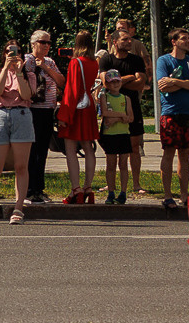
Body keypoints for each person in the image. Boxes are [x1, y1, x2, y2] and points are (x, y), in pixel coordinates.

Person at [0, 37, 38, 225]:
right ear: (3, 54)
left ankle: (18, 209)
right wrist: (5, 68)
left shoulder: (30, 75)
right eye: (8, 51)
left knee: (21, 166)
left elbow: (27, 95)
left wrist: (19, 73)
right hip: (0, 115)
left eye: (16, 52)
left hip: (22, 114)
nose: (12, 55)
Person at [154, 28, 189, 211]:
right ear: (174, 42)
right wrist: (185, 84)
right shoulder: (164, 60)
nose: (188, 41)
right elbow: (163, 87)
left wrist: (175, 81)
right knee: (168, 153)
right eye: (184, 39)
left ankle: (184, 195)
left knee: (184, 155)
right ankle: (168, 195)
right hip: (171, 113)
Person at [56, 30, 102, 203]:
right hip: (88, 105)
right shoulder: (94, 63)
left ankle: (76, 188)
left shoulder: (76, 62)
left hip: (76, 107)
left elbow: (72, 90)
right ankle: (88, 187)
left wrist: (64, 114)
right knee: (88, 147)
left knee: (70, 149)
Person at [22, 30, 64, 204]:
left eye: (48, 43)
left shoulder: (50, 62)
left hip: (47, 109)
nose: (46, 46)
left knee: (42, 151)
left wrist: (46, 67)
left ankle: (39, 189)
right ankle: (29, 190)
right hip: (32, 109)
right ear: (33, 44)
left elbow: (61, 81)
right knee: (31, 151)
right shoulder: (27, 60)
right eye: (42, 42)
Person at [96, 43, 138, 206]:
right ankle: (111, 191)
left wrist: (118, 117)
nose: (114, 85)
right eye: (111, 82)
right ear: (107, 83)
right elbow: (105, 114)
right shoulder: (104, 97)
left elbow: (130, 117)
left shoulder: (125, 98)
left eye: (117, 82)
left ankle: (123, 192)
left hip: (123, 134)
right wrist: (120, 115)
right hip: (109, 135)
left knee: (123, 164)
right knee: (111, 164)